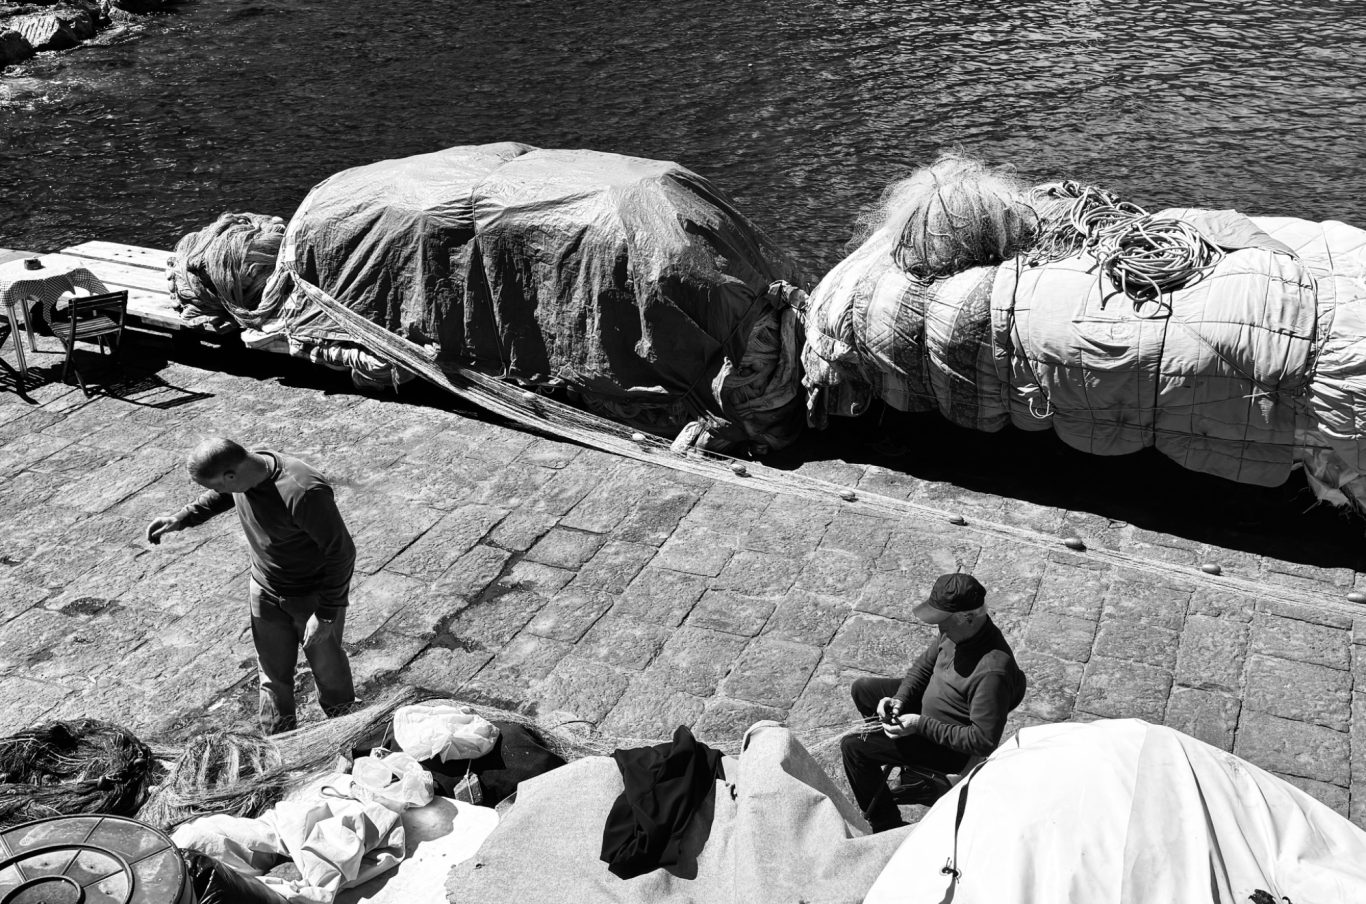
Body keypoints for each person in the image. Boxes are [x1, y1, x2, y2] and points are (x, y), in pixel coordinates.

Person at [147, 437, 357, 734]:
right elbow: (224, 495)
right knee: (272, 676)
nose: (217, 492)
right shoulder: (246, 471)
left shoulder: (302, 490)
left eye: (218, 485)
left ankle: (349, 731)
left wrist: (325, 614)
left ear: (231, 475)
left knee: (328, 672)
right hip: (264, 589)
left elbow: (342, 552)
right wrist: (184, 517)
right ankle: (278, 743)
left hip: (311, 597)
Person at [841, 572, 1026, 832]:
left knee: (854, 748)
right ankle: (914, 774)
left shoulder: (993, 672)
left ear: (969, 618)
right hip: (924, 715)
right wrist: (899, 700)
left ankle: (887, 823)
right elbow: (923, 667)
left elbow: (982, 740)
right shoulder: (957, 632)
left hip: (945, 745)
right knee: (863, 690)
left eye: (943, 621)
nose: (939, 628)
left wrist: (919, 725)